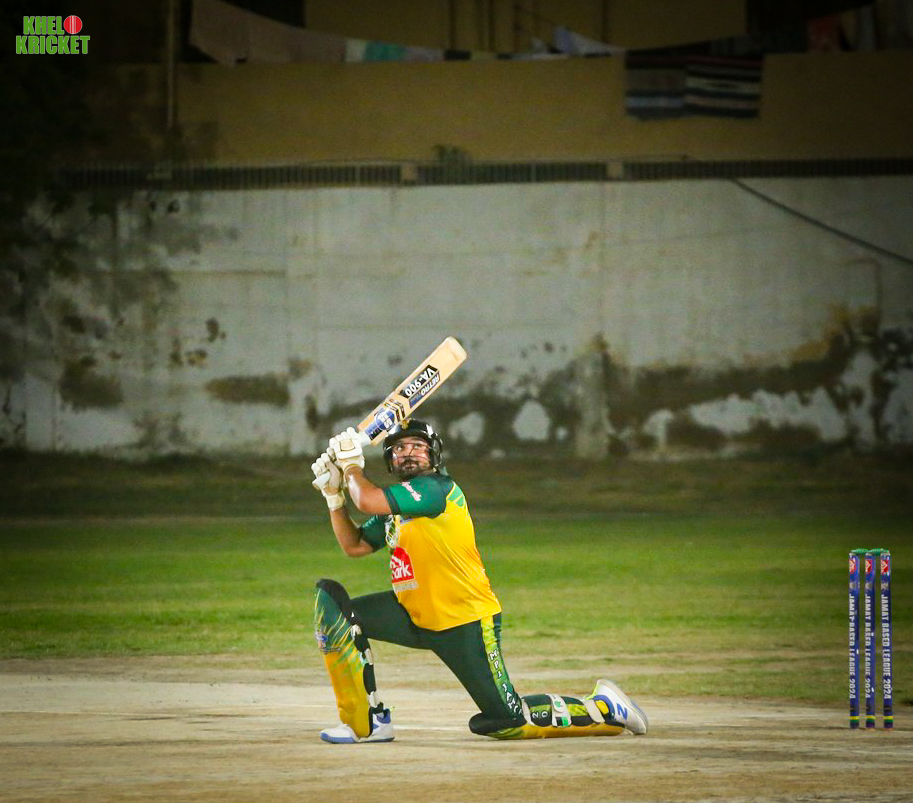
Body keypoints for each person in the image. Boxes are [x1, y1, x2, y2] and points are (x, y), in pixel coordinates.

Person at [310, 418, 648, 743]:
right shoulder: (396, 508)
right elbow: (354, 546)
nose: (409, 453)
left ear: (433, 454)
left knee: (509, 720)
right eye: (399, 448)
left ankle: (605, 707)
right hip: (414, 615)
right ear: (389, 459)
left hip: (465, 622)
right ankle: (367, 723)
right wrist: (333, 497)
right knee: (337, 613)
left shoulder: (435, 488)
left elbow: (366, 500)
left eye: (417, 446)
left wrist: (351, 465)